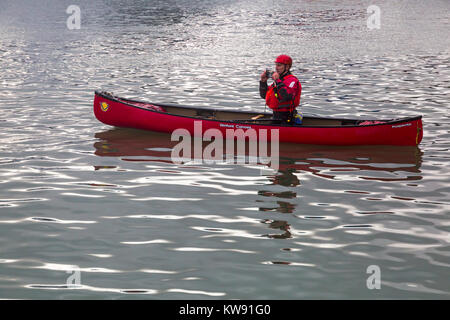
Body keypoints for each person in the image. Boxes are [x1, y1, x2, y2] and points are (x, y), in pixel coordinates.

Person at [259, 55, 302, 124]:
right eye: (276, 65)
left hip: (287, 118)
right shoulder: (279, 80)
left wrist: (277, 80)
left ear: (287, 67)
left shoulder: (292, 80)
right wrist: (263, 82)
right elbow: (264, 96)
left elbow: (287, 97)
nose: (276, 68)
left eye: (279, 65)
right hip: (276, 116)